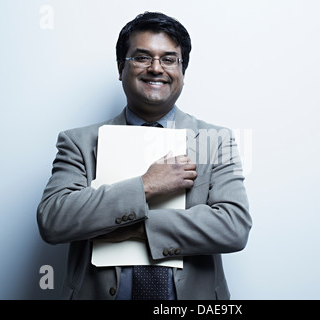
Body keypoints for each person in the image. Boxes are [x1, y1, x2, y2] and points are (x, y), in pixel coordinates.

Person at [37, 11, 252, 300]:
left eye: (168, 59)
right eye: (141, 57)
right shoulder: (79, 141)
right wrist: (146, 185)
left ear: (182, 72)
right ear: (120, 68)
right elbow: (54, 219)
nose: (155, 68)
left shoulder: (216, 140)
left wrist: (139, 228)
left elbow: (233, 227)